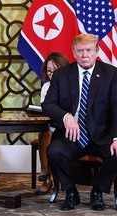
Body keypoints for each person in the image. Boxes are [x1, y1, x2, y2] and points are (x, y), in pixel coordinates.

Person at [42, 33, 117, 211]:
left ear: (97, 51)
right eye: (80, 51)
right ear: (74, 53)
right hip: (72, 135)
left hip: (102, 134)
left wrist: (116, 138)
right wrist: (66, 116)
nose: (85, 55)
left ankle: (97, 192)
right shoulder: (61, 75)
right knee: (54, 151)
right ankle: (71, 192)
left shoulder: (111, 74)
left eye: (89, 50)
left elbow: (116, 107)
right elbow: (48, 104)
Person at [35, 52, 69, 195]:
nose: (52, 74)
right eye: (49, 70)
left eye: (56, 69)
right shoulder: (46, 87)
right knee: (44, 131)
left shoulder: (72, 84)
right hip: (52, 125)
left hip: (68, 126)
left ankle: (50, 175)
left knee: (49, 132)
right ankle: (46, 174)